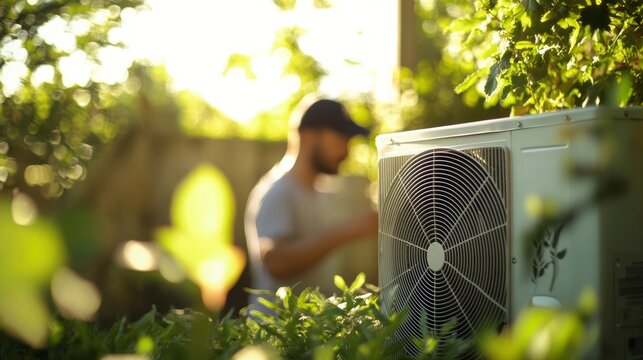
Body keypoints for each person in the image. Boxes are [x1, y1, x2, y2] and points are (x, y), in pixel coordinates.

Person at [244, 98, 378, 311]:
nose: (347, 150)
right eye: (341, 139)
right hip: (276, 337)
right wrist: (349, 231)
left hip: (306, 336)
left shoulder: (321, 192)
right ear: (308, 137)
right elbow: (276, 262)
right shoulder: (277, 192)